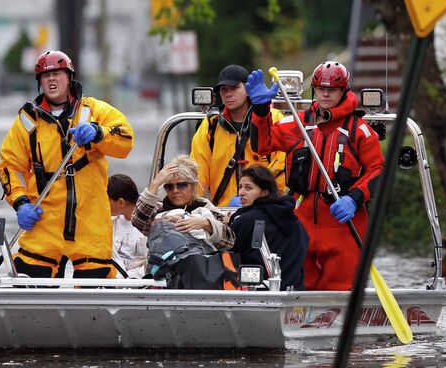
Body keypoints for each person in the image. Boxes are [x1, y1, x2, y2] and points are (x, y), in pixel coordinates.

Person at [244, 61, 385, 290]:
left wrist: (355, 197)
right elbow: (262, 144)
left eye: (333, 89)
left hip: (344, 221)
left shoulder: (359, 130)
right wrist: (260, 111)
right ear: (314, 90)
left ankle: (339, 324)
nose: (326, 94)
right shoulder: (296, 124)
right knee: (299, 283)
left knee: (341, 287)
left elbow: (378, 171)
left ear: (344, 91)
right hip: (302, 216)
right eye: (321, 89)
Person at [0, 50, 134, 279]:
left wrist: (99, 133)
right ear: (39, 82)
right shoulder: (28, 121)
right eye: (45, 75)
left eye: (57, 73)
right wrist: (20, 204)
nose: (51, 79)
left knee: (96, 290)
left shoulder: (94, 111)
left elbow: (126, 141)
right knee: (27, 283)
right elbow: (9, 166)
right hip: (44, 221)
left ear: (69, 77)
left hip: (89, 221)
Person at [190, 64, 286, 207]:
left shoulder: (273, 118)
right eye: (224, 89)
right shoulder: (211, 125)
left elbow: (281, 166)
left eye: (234, 88)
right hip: (222, 212)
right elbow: (197, 172)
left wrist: (266, 201)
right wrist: (191, 207)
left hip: (265, 210)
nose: (228, 94)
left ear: (248, 89)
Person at [131, 155, 235, 268]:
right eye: (169, 186)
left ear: (194, 186)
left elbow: (229, 241)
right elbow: (138, 221)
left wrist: (205, 224)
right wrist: (155, 184)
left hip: (199, 274)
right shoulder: (158, 211)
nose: (175, 190)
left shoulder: (206, 209)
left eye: (181, 185)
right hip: (162, 274)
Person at [229, 165, 308, 291]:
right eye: (240, 187)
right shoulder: (294, 219)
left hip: (256, 293)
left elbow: (229, 255)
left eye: (248, 188)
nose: (241, 193)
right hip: (293, 293)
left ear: (264, 192)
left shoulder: (246, 220)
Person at [108, 174, 147, 278]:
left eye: (107, 201)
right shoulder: (108, 223)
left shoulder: (148, 226)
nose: (104, 205)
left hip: (137, 284)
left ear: (121, 202)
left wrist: (127, 279)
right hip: (110, 281)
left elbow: (151, 262)